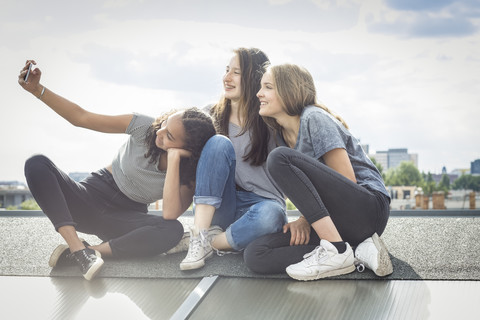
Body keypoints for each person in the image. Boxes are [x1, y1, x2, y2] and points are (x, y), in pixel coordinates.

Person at [18, 60, 216, 280]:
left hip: (125, 219)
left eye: (169, 136)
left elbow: (170, 214)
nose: (159, 132)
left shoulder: (189, 174)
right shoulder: (145, 127)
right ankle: (77, 249)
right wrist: (37, 90)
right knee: (37, 163)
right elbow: (81, 118)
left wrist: (175, 159)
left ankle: (92, 251)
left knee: (173, 230)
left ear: (190, 149)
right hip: (90, 197)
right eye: (164, 125)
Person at [243, 63, 393, 281]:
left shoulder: (314, 118)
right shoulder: (279, 136)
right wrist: (305, 220)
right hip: (336, 224)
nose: (259, 93)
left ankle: (336, 251)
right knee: (256, 254)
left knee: (279, 158)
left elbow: (347, 181)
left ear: (289, 90)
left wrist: (306, 219)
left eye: (267, 87)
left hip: (367, 210)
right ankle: (354, 252)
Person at [179, 48, 287, 270]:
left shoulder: (272, 119)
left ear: (253, 78)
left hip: (261, 207)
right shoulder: (210, 115)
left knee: (272, 214)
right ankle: (200, 236)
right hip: (220, 205)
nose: (226, 78)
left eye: (235, 72)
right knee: (218, 142)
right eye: (227, 70)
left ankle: (210, 243)